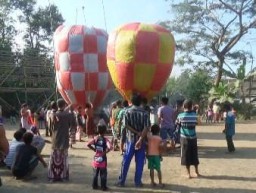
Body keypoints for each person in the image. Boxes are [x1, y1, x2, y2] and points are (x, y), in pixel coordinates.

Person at [116, 93, 151, 187]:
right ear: (140, 102)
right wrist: (140, 138)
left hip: (130, 139)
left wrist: (135, 132)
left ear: (131, 101)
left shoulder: (127, 112)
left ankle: (121, 181)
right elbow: (147, 127)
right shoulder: (144, 113)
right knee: (140, 162)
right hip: (141, 140)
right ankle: (138, 182)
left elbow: (126, 125)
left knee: (126, 161)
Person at [48, 99, 76, 182]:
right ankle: (63, 176)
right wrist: (71, 110)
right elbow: (73, 124)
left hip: (55, 139)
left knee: (54, 159)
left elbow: (49, 128)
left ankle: (53, 176)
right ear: (64, 105)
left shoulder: (52, 115)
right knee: (63, 159)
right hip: (64, 139)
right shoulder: (68, 115)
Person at [176, 99, 200, 179]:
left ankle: (188, 174)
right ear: (191, 106)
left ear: (184, 106)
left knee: (186, 155)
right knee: (194, 154)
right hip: (193, 138)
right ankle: (196, 172)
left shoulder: (180, 116)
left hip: (184, 138)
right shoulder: (194, 115)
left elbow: (177, 125)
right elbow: (198, 123)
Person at [87, 125, 112, 191]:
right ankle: (103, 187)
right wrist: (105, 152)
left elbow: (88, 144)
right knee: (103, 174)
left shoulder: (96, 138)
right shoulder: (105, 140)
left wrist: (94, 149)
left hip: (96, 159)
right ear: (105, 131)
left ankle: (94, 185)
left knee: (95, 174)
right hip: (103, 160)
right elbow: (110, 147)